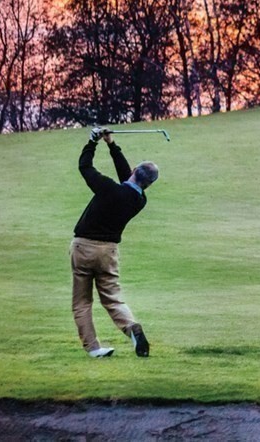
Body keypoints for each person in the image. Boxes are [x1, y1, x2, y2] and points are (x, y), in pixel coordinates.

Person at [70, 127, 159, 358]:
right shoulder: (139, 199)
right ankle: (131, 328)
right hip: (108, 252)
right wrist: (111, 143)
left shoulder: (109, 188)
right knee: (112, 298)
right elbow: (127, 178)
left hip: (83, 248)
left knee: (82, 301)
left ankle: (93, 348)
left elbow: (85, 167)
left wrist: (92, 141)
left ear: (134, 171)